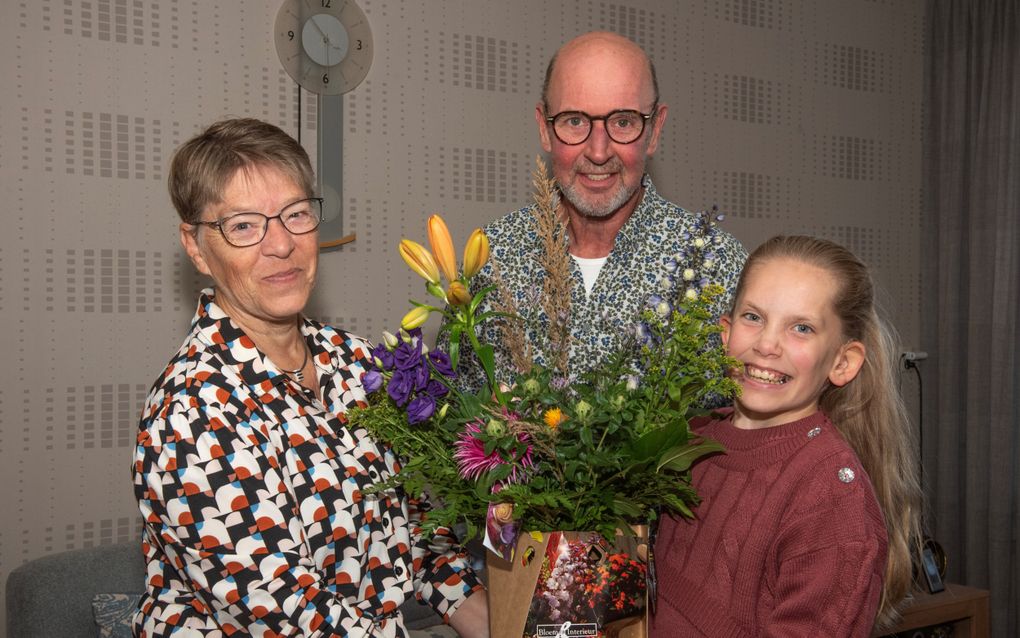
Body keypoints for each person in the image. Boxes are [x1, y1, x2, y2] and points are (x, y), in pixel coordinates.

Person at [132, 118, 488, 637]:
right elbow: (295, 619)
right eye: (244, 225)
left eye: (296, 214)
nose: (281, 244)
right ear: (195, 246)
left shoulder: (358, 362)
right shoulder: (190, 415)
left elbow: (420, 541)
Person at [650, 235, 923, 637]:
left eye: (801, 327)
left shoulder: (829, 497)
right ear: (725, 333)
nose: (766, 344)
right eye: (753, 317)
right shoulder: (691, 442)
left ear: (842, 363)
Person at [449, 31, 746, 391]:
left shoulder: (720, 266)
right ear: (545, 128)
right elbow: (456, 423)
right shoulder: (488, 259)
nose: (599, 151)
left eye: (623, 121)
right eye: (574, 121)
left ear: (654, 131)